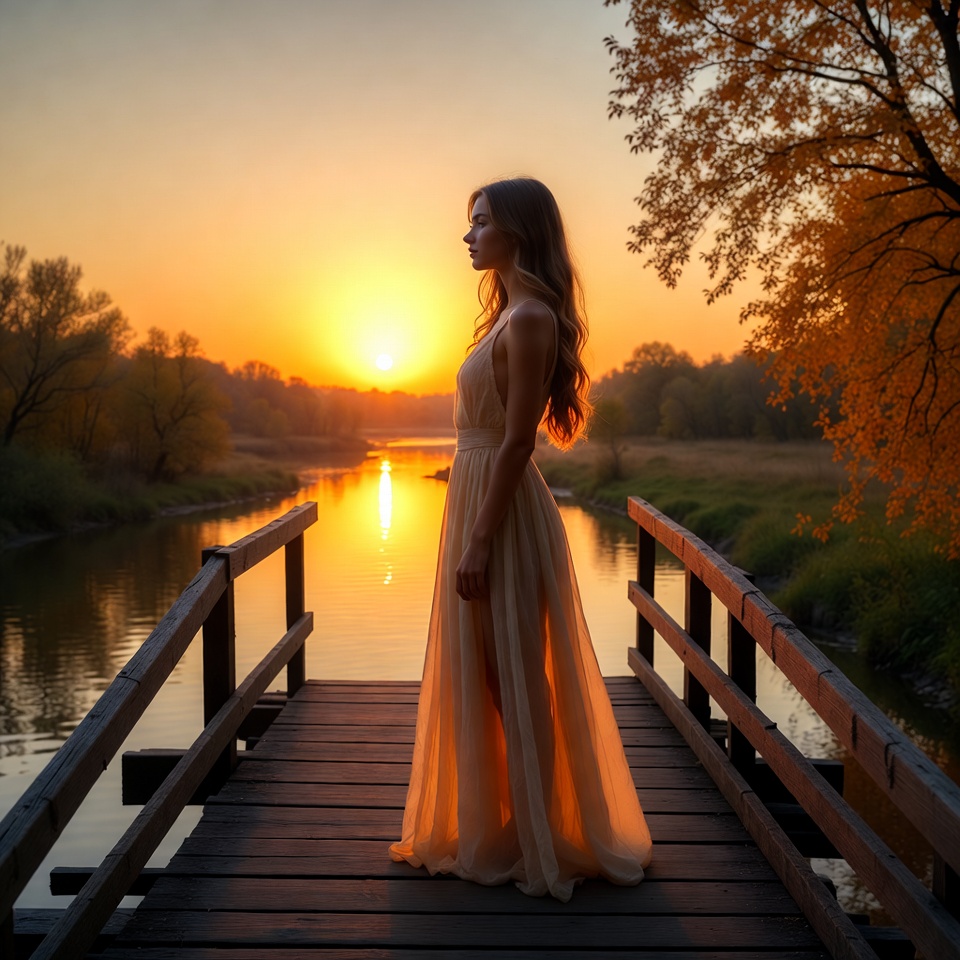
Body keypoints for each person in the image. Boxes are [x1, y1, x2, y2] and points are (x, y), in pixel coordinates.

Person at [388, 177, 652, 902]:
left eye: (479, 223)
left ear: (517, 232)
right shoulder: (506, 318)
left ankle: (548, 835)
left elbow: (516, 443)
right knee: (490, 670)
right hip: (477, 501)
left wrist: (478, 540)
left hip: (498, 511)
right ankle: (511, 821)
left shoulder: (531, 318)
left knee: (515, 672)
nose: (467, 236)